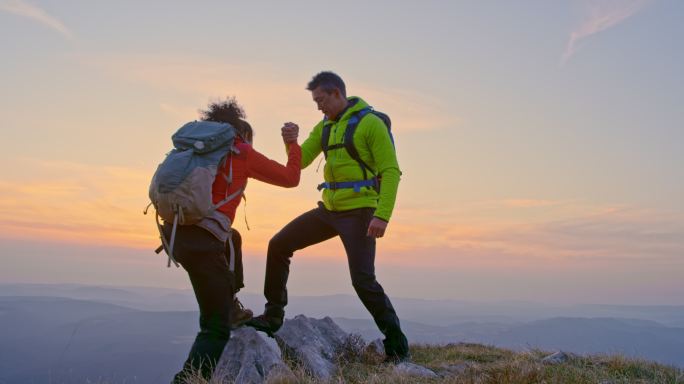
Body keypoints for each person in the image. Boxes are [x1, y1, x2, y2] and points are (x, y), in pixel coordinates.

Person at [247, 71, 409, 362]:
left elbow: (390, 171)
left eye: (321, 100)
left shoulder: (369, 124)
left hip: (360, 212)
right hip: (329, 210)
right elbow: (302, 159)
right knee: (279, 244)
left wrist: (382, 215)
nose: (318, 107)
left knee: (363, 281)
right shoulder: (325, 127)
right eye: (315, 102)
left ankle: (397, 347)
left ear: (337, 93)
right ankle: (272, 317)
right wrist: (291, 141)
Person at [166, 97, 301, 383]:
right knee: (214, 327)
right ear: (241, 133)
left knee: (234, 237)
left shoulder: (195, 150)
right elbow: (291, 178)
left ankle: (231, 304)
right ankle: (187, 380)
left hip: (176, 236)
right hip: (205, 244)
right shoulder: (241, 151)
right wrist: (292, 145)